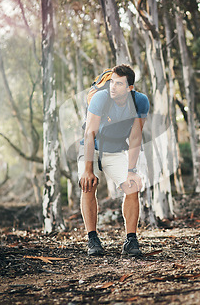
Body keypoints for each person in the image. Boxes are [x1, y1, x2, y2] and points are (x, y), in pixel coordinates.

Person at [78, 64, 149, 257]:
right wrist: (88, 169)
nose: (113, 87)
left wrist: (131, 170)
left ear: (129, 88)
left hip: (115, 148)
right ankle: (92, 238)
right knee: (88, 184)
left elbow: (135, 137)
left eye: (118, 84)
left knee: (132, 185)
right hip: (91, 146)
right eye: (112, 82)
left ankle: (131, 240)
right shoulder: (101, 98)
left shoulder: (140, 102)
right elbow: (89, 133)